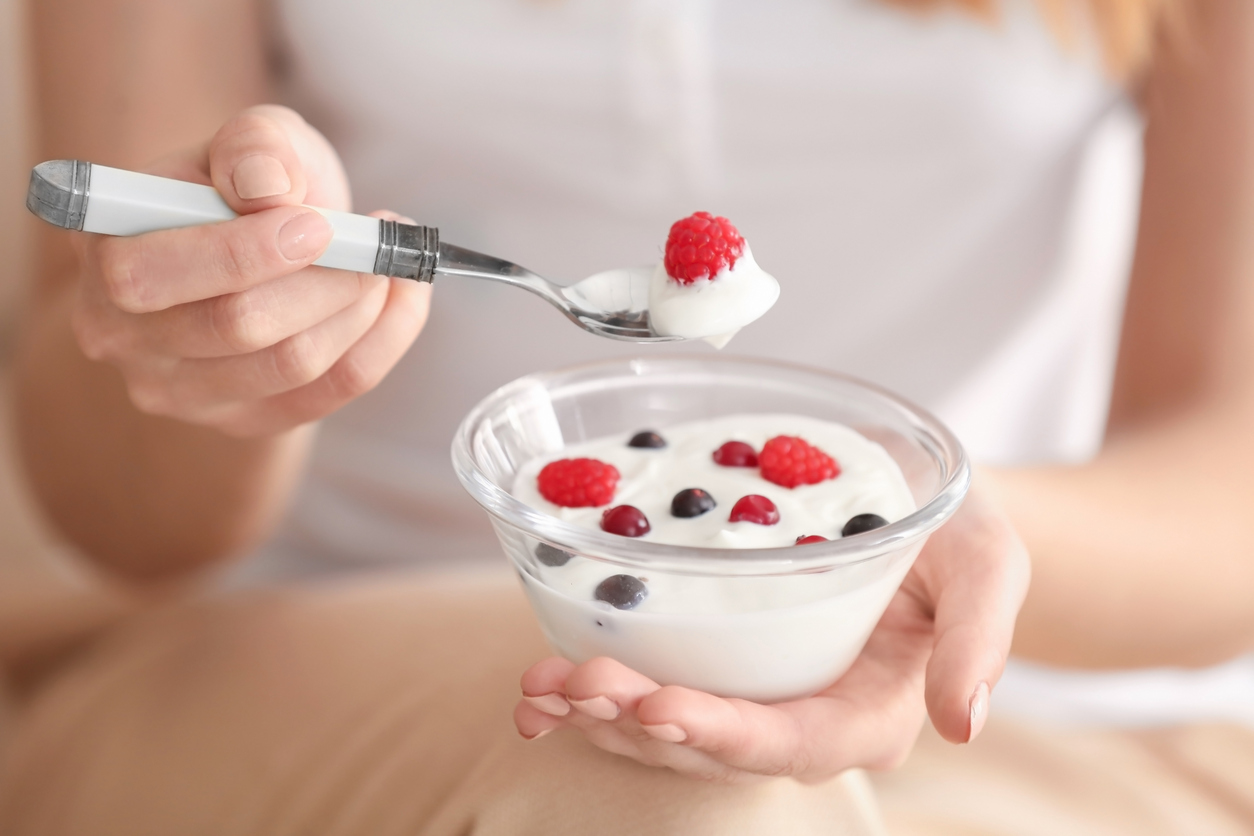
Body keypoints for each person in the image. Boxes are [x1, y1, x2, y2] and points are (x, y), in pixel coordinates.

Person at [3, 0, 1254, 832]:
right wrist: (234, 329)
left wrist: (890, 544)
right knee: (670, 789)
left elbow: (1229, 475)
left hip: (1046, 727)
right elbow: (117, 510)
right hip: (302, 657)